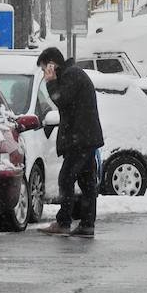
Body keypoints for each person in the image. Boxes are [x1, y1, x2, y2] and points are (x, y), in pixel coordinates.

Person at [36, 47, 104, 238]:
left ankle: (64, 222)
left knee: (66, 178)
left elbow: (61, 100)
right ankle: (87, 224)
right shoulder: (72, 73)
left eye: (44, 69)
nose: (44, 74)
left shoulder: (71, 75)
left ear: (52, 64)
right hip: (84, 137)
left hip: (80, 138)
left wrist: (50, 82)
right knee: (87, 181)